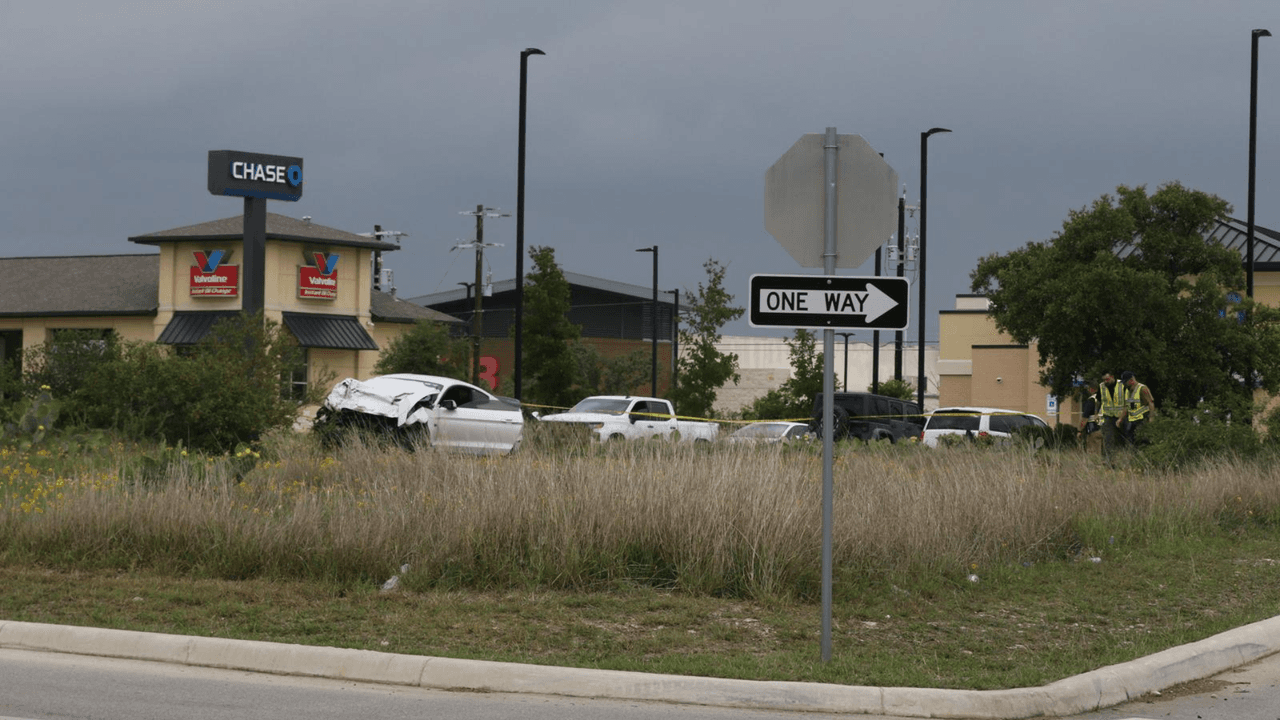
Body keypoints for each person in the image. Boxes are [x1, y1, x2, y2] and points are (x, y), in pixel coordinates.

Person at [1118, 370, 1156, 446]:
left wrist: (1151, 418)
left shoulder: (1142, 388)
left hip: (1142, 420)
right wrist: (1120, 419)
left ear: (1131, 380)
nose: (1125, 384)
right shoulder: (1127, 391)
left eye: (1126, 382)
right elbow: (1126, 407)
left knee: (1142, 441)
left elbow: (1150, 403)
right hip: (1132, 421)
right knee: (1131, 442)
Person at [1098, 372, 1125, 458]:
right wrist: (1096, 413)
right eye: (1104, 380)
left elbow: (1127, 401)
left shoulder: (1122, 384)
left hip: (1122, 416)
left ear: (1112, 377)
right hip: (1108, 416)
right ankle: (1108, 459)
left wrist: (1121, 417)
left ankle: (1124, 457)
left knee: (1123, 438)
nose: (1105, 381)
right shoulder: (1101, 386)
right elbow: (1098, 401)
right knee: (1108, 438)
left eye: (1107, 379)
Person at [1078, 381, 1099, 451]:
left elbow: (1084, 419)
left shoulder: (1091, 400)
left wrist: (1079, 431)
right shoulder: (1104, 399)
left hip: (1093, 429)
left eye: (1088, 388)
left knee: (1093, 451)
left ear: (1092, 389)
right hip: (1105, 428)